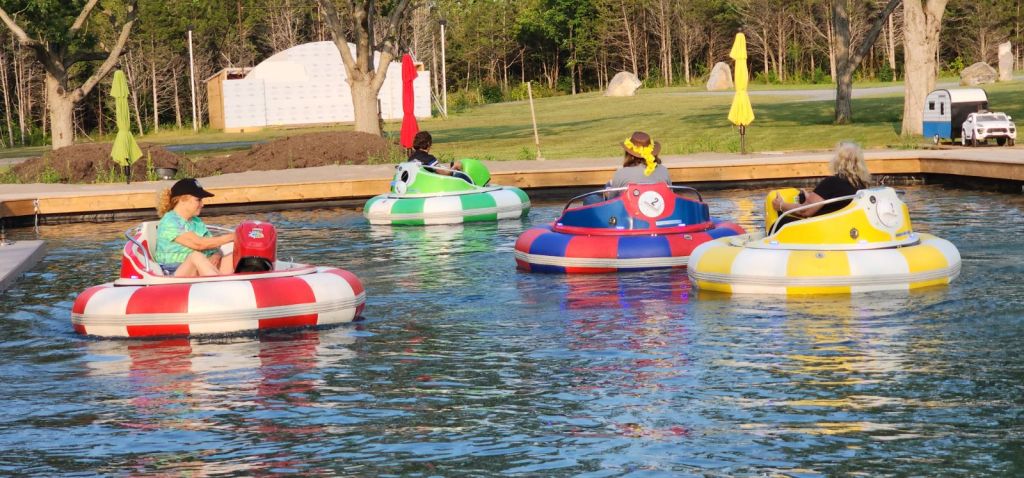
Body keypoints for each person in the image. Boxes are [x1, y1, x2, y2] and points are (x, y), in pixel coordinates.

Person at [771, 141, 872, 226]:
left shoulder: (833, 182)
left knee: (781, 222)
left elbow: (805, 211)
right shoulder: (863, 185)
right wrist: (810, 198)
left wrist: (781, 205)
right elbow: (836, 205)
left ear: (838, 161)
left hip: (825, 230)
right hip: (846, 228)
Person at [154, 178, 235, 277]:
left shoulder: (196, 221)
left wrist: (216, 255)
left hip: (201, 267)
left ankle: (239, 280)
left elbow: (213, 246)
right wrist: (233, 236)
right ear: (182, 200)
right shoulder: (170, 221)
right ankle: (219, 283)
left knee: (233, 255)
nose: (202, 204)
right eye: (198, 200)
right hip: (173, 273)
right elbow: (199, 244)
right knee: (196, 256)